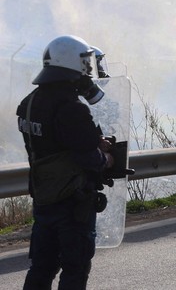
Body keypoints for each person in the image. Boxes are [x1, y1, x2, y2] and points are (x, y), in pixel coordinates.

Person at [17, 35, 114, 289]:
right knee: (75, 268)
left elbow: (53, 143)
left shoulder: (30, 103)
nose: (88, 71)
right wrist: (106, 157)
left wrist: (89, 141)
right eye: (85, 64)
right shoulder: (71, 108)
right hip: (73, 203)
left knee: (42, 267)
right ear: (72, 66)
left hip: (44, 199)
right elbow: (88, 158)